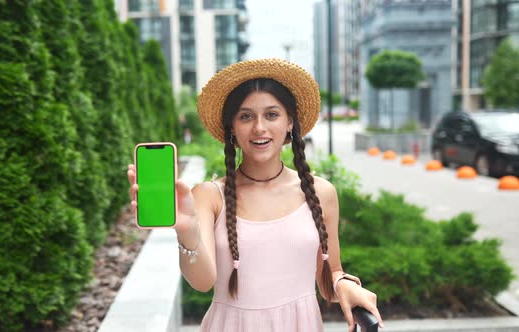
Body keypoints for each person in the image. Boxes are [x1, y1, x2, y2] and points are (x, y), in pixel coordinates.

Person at [128, 58, 384, 332]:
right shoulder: (209, 196)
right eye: (246, 116)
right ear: (232, 130)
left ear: (290, 123)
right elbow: (202, 282)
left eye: (272, 115)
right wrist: (187, 230)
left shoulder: (321, 193)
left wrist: (343, 283)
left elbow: (329, 274)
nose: (259, 127)